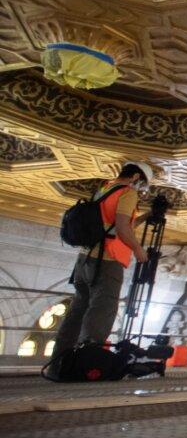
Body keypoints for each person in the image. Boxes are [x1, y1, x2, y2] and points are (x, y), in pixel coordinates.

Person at [47, 161, 153, 376]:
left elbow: (114, 226)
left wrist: (144, 217)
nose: (140, 188)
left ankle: (58, 366)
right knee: (102, 309)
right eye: (140, 183)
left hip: (85, 260)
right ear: (134, 177)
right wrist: (138, 250)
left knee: (78, 311)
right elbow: (122, 229)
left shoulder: (104, 188)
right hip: (107, 261)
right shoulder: (127, 193)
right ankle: (86, 366)